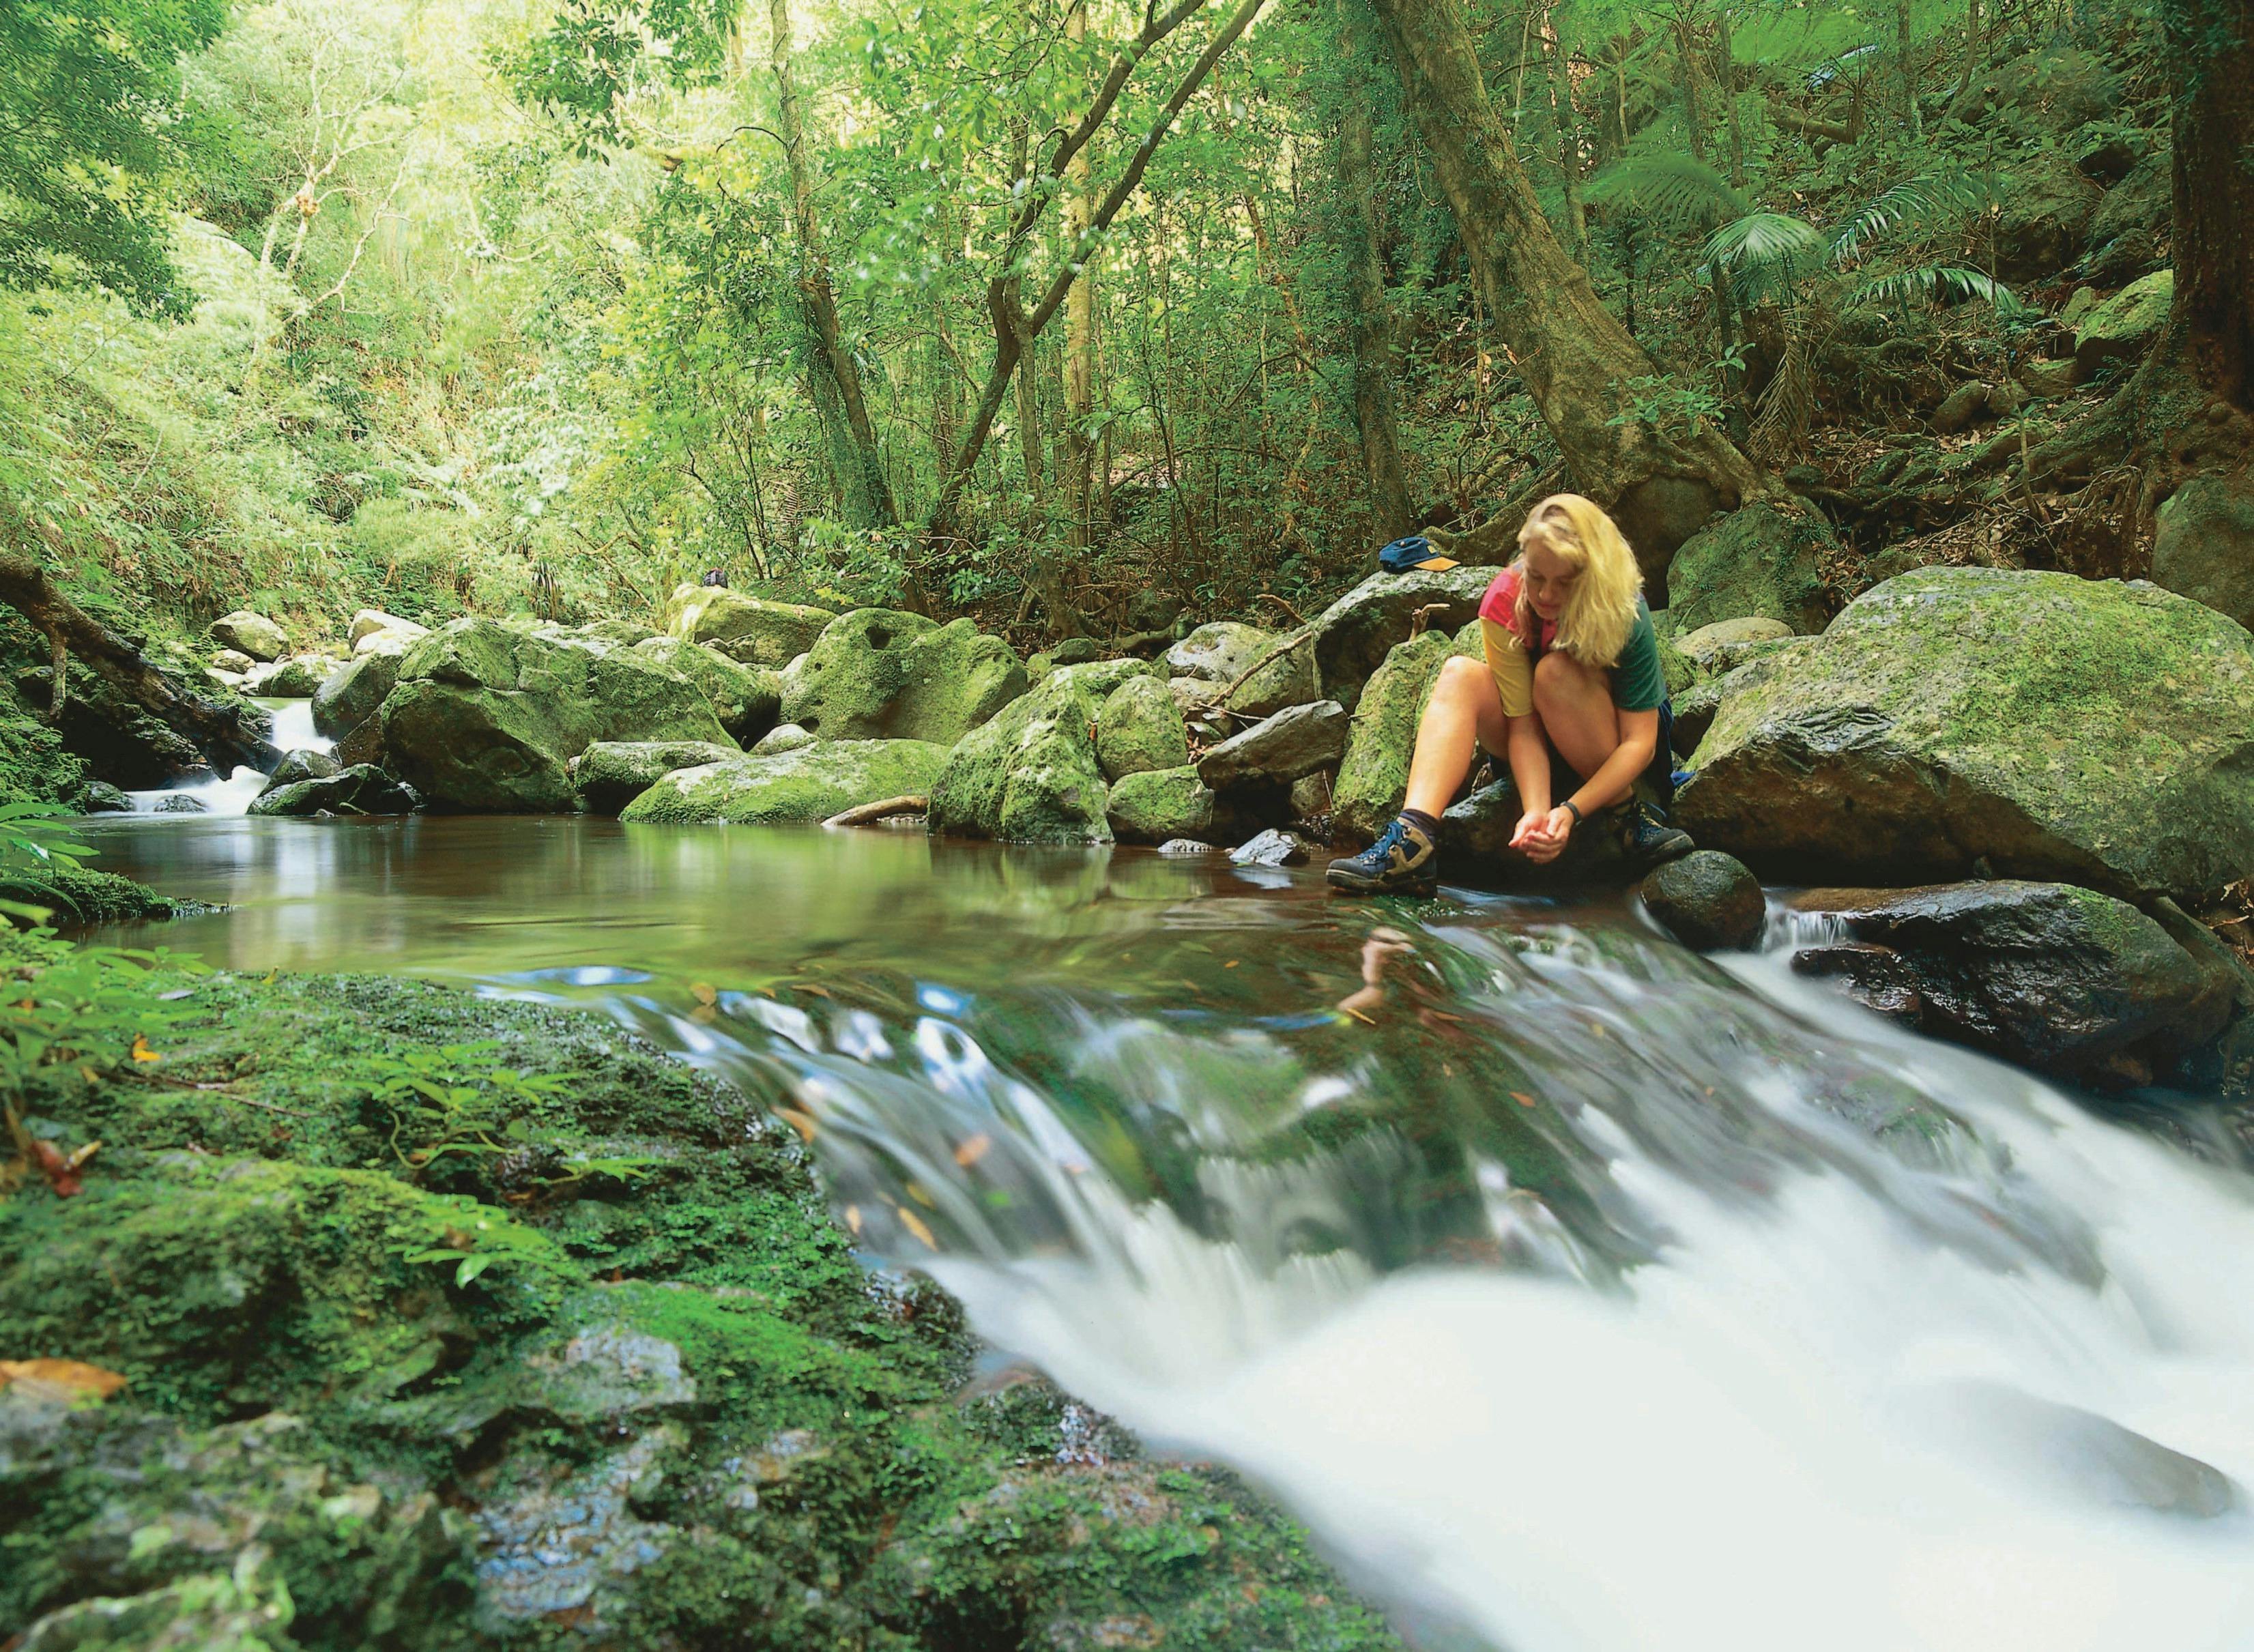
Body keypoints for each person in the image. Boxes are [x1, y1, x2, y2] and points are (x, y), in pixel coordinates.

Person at [1327, 493, 1693, 895]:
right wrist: (1536, 811)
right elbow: (1522, 724)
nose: (1546, 595)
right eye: (1536, 577)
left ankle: (1629, 816)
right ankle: (1413, 842)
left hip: (1613, 749)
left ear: (1593, 574)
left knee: (1554, 673)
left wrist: (1571, 812)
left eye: (1564, 582)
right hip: (1537, 745)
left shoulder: (1623, 607)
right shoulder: (1505, 597)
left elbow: (1641, 742)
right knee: (1459, 674)